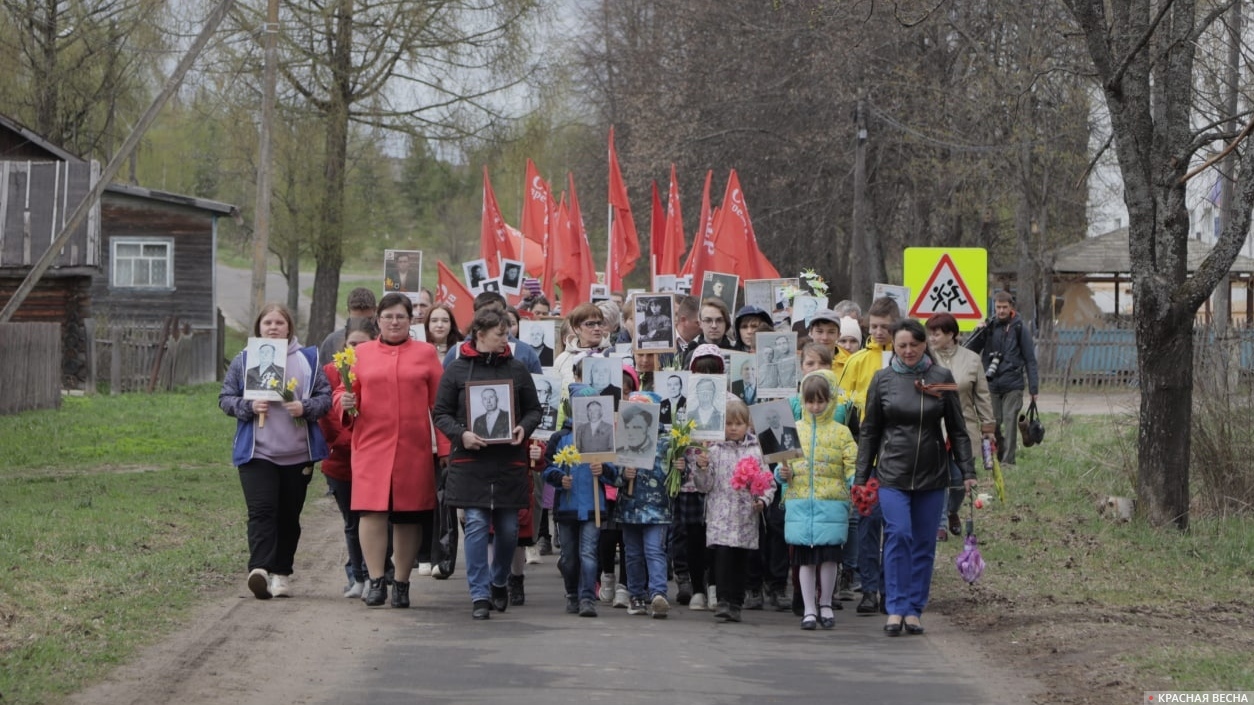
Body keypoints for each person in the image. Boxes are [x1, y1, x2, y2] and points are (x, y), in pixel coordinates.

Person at [854, 319, 976, 636]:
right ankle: (894, 607)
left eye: (914, 344)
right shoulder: (882, 380)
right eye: (902, 345)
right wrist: (861, 476)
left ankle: (913, 609)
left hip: (932, 475)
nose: (908, 351)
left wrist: (968, 471)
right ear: (894, 346)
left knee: (923, 543)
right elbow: (869, 433)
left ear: (925, 344)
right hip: (892, 474)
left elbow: (959, 430)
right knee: (898, 535)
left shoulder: (941, 377)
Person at [334, 293, 448, 609]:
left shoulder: (425, 354)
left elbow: (439, 405)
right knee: (371, 511)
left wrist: (447, 447)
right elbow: (344, 392)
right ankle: (375, 580)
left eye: (400, 316)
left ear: (411, 320)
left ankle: (401, 582)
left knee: (408, 515)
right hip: (371, 445)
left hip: (413, 447)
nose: (394, 322)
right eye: (388, 317)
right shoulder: (361, 354)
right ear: (378, 321)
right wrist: (343, 403)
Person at [433, 307, 542, 620]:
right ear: (480, 335)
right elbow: (440, 413)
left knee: (509, 530)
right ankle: (479, 593)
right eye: (499, 334)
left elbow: (534, 410)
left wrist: (524, 427)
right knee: (478, 524)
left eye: (507, 333)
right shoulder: (456, 371)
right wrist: (462, 434)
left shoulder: (517, 369)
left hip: (509, 461)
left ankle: (498, 580)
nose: (505, 339)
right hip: (471, 461)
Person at [220, 303, 331, 600]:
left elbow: (325, 398)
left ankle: (282, 573)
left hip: (297, 454)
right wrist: (248, 406)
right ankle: (259, 570)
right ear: (258, 327)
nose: (273, 327)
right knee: (261, 511)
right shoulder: (245, 360)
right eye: (267, 322)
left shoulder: (308, 359)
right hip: (258, 453)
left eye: (279, 323)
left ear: (289, 327)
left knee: (288, 515)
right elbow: (225, 398)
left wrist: (304, 407)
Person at [777, 370, 858, 630]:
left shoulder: (842, 432)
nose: (815, 406)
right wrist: (782, 473)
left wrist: (855, 484)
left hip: (831, 503)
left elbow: (851, 465)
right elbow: (780, 470)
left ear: (830, 401)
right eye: (810, 401)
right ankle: (809, 608)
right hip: (799, 502)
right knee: (804, 560)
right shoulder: (791, 429)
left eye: (821, 401)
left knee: (830, 557)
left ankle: (825, 603)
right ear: (803, 401)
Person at [689, 397, 774, 623]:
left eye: (738, 424)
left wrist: (763, 500)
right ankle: (724, 601)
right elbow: (704, 485)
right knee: (722, 558)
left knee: (740, 560)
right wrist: (702, 467)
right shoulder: (714, 450)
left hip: (745, 516)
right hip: (720, 515)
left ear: (747, 425)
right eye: (729, 424)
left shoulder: (756, 450)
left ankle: (736, 601)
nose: (734, 428)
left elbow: (768, 482)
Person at [542, 387, 624, 617]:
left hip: (592, 506)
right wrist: (560, 479)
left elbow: (615, 475)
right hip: (567, 507)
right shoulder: (560, 438)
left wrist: (604, 469)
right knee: (568, 556)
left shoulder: (605, 433)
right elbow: (547, 468)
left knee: (588, 554)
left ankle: (588, 597)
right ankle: (571, 594)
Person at [317, 317, 378, 600]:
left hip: (374, 456)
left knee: (376, 519)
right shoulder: (331, 372)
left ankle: (377, 572)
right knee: (352, 522)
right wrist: (347, 443)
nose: (356, 350)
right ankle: (358, 575)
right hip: (342, 459)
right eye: (352, 344)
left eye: (362, 345)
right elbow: (328, 415)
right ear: (344, 346)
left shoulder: (378, 371)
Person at [926, 313, 996, 540]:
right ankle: (940, 524)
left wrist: (988, 427)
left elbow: (982, 396)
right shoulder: (926, 358)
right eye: (930, 333)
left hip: (963, 428)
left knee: (958, 478)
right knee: (939, 477)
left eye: (936, 333)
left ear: (951, 334)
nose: (932, 338)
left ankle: (952, 510)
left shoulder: (972, 359)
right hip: (932, 427)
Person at [616, 390, 674, 618]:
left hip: (657, 509)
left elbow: (679, 476)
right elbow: (612, 475)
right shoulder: (622, 439)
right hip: (630, 508)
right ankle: (636, 595)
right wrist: (623, 475)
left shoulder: (667, 442)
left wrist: (681, 467)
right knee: (632, 554)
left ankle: (658, 594)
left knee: (654, 550)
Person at [969, 291, 1039, 466]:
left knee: (1009, 421)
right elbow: (970, 351)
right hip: (991, 383)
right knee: (994, 422)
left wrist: (1033, 389)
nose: (1000, 311)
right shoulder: (989, 326)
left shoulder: (1019, 328)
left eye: (1004, 307)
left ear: (1011, 307)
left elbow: (1030, 359)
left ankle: (1008, 461)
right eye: (998, 307)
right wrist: (977, 331)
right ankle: (996, 456)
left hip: (1012, 383)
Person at [553, 303, 612, 393]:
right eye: (590, 324)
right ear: (576, 328)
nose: (597, 328)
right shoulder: (562, 359)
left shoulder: (611, 354)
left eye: (600, 323)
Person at [319, 288, 377, 364]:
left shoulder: (386, 340)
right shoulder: (332, 342)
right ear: (348, 312)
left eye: (368, 320)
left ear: (376, 310)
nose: (362, 326)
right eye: (356, 320)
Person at [682, 297, 735, 367]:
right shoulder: (689, 352)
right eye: (708, 320)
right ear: (700, 323)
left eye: (719, 320)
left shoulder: (737, 350)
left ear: (726, 323)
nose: (714, 326)